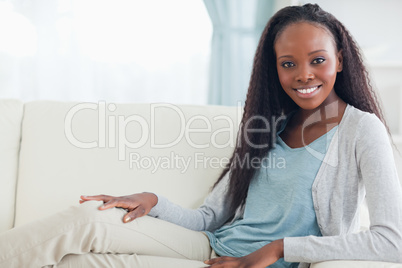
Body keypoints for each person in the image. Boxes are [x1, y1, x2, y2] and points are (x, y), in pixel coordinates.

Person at [1, 3, 402, 268]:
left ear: (340, 60)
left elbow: (391, 240)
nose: (304, 75)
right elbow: (210, 217)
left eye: (318, 60)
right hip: (211, 247)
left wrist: (280, 249)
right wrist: (153, 201)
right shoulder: (272, 125)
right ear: (274, 69)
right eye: (288, 63)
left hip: (249, 263)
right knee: (87, 225)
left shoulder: (362, 130)